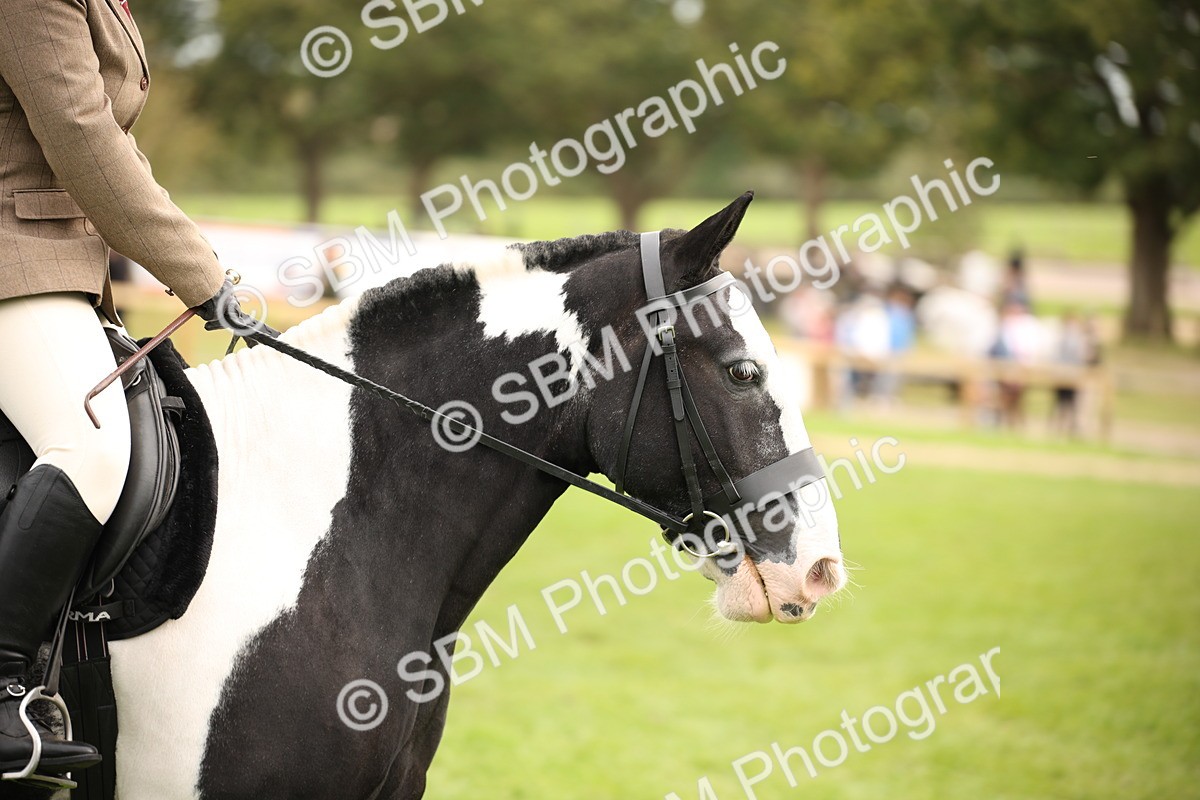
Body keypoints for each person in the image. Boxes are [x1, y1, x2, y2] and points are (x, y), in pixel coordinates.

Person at [0, 0, 270, 780]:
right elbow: (81, 136)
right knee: (87, 438)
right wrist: (202, 277)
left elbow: (113, 143)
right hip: (16, 254)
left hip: (60, 265)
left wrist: (204, 263)